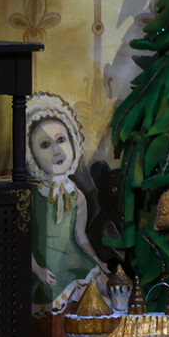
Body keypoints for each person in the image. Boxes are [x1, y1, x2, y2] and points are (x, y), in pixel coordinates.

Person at [25, 93, 107, 314]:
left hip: (74, 262)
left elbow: (81, 238)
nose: (57, 151)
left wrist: (98, 262)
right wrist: (37, 269)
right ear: (32, 154)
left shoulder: (76, 195)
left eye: (61, 140)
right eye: (45, 144)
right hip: (45, 265)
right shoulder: (32, 197)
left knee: (101, 290)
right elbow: (23, 241)